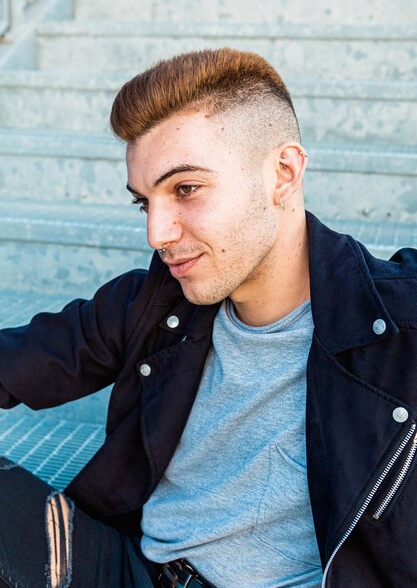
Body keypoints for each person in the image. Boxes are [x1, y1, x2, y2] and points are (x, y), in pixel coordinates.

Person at [0, 48, 416, 588]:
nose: (158, 234)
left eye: (186, 189)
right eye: (144, 203)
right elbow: (20, 360)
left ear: (284, 173)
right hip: (133, 571)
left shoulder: (398, 327)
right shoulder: (157, 302)